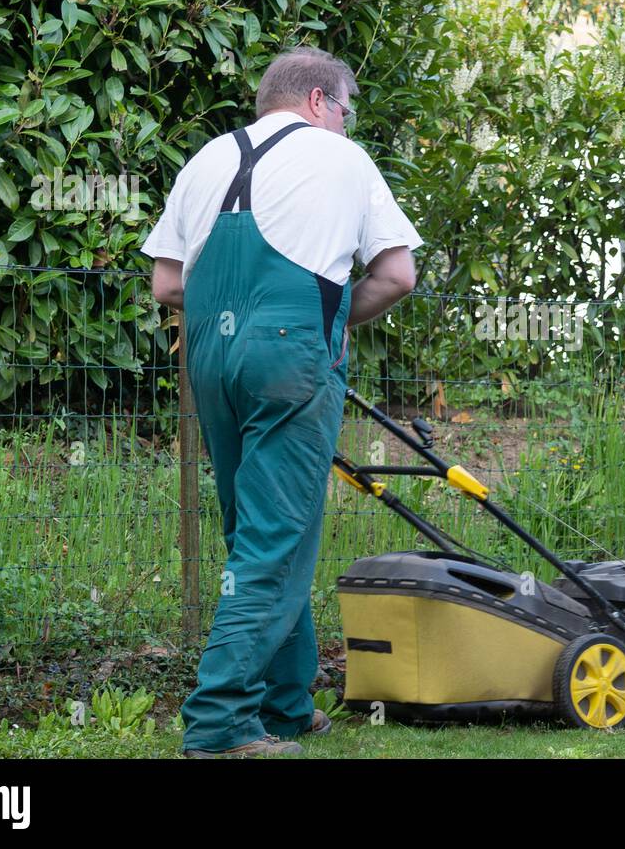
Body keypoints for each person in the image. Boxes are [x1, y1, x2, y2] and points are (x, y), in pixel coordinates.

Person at [143, 47, 422, 757]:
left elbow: (168, 287)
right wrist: (323, 321)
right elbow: (397, 275)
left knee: (258, 534)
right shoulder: (344, 161)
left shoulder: (206, 158)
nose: (348, 127)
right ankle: (218, 723)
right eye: (347, 113)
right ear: (321, 101)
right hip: (290, 352)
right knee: (276, 537)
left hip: (210, 354)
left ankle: (287, 704)